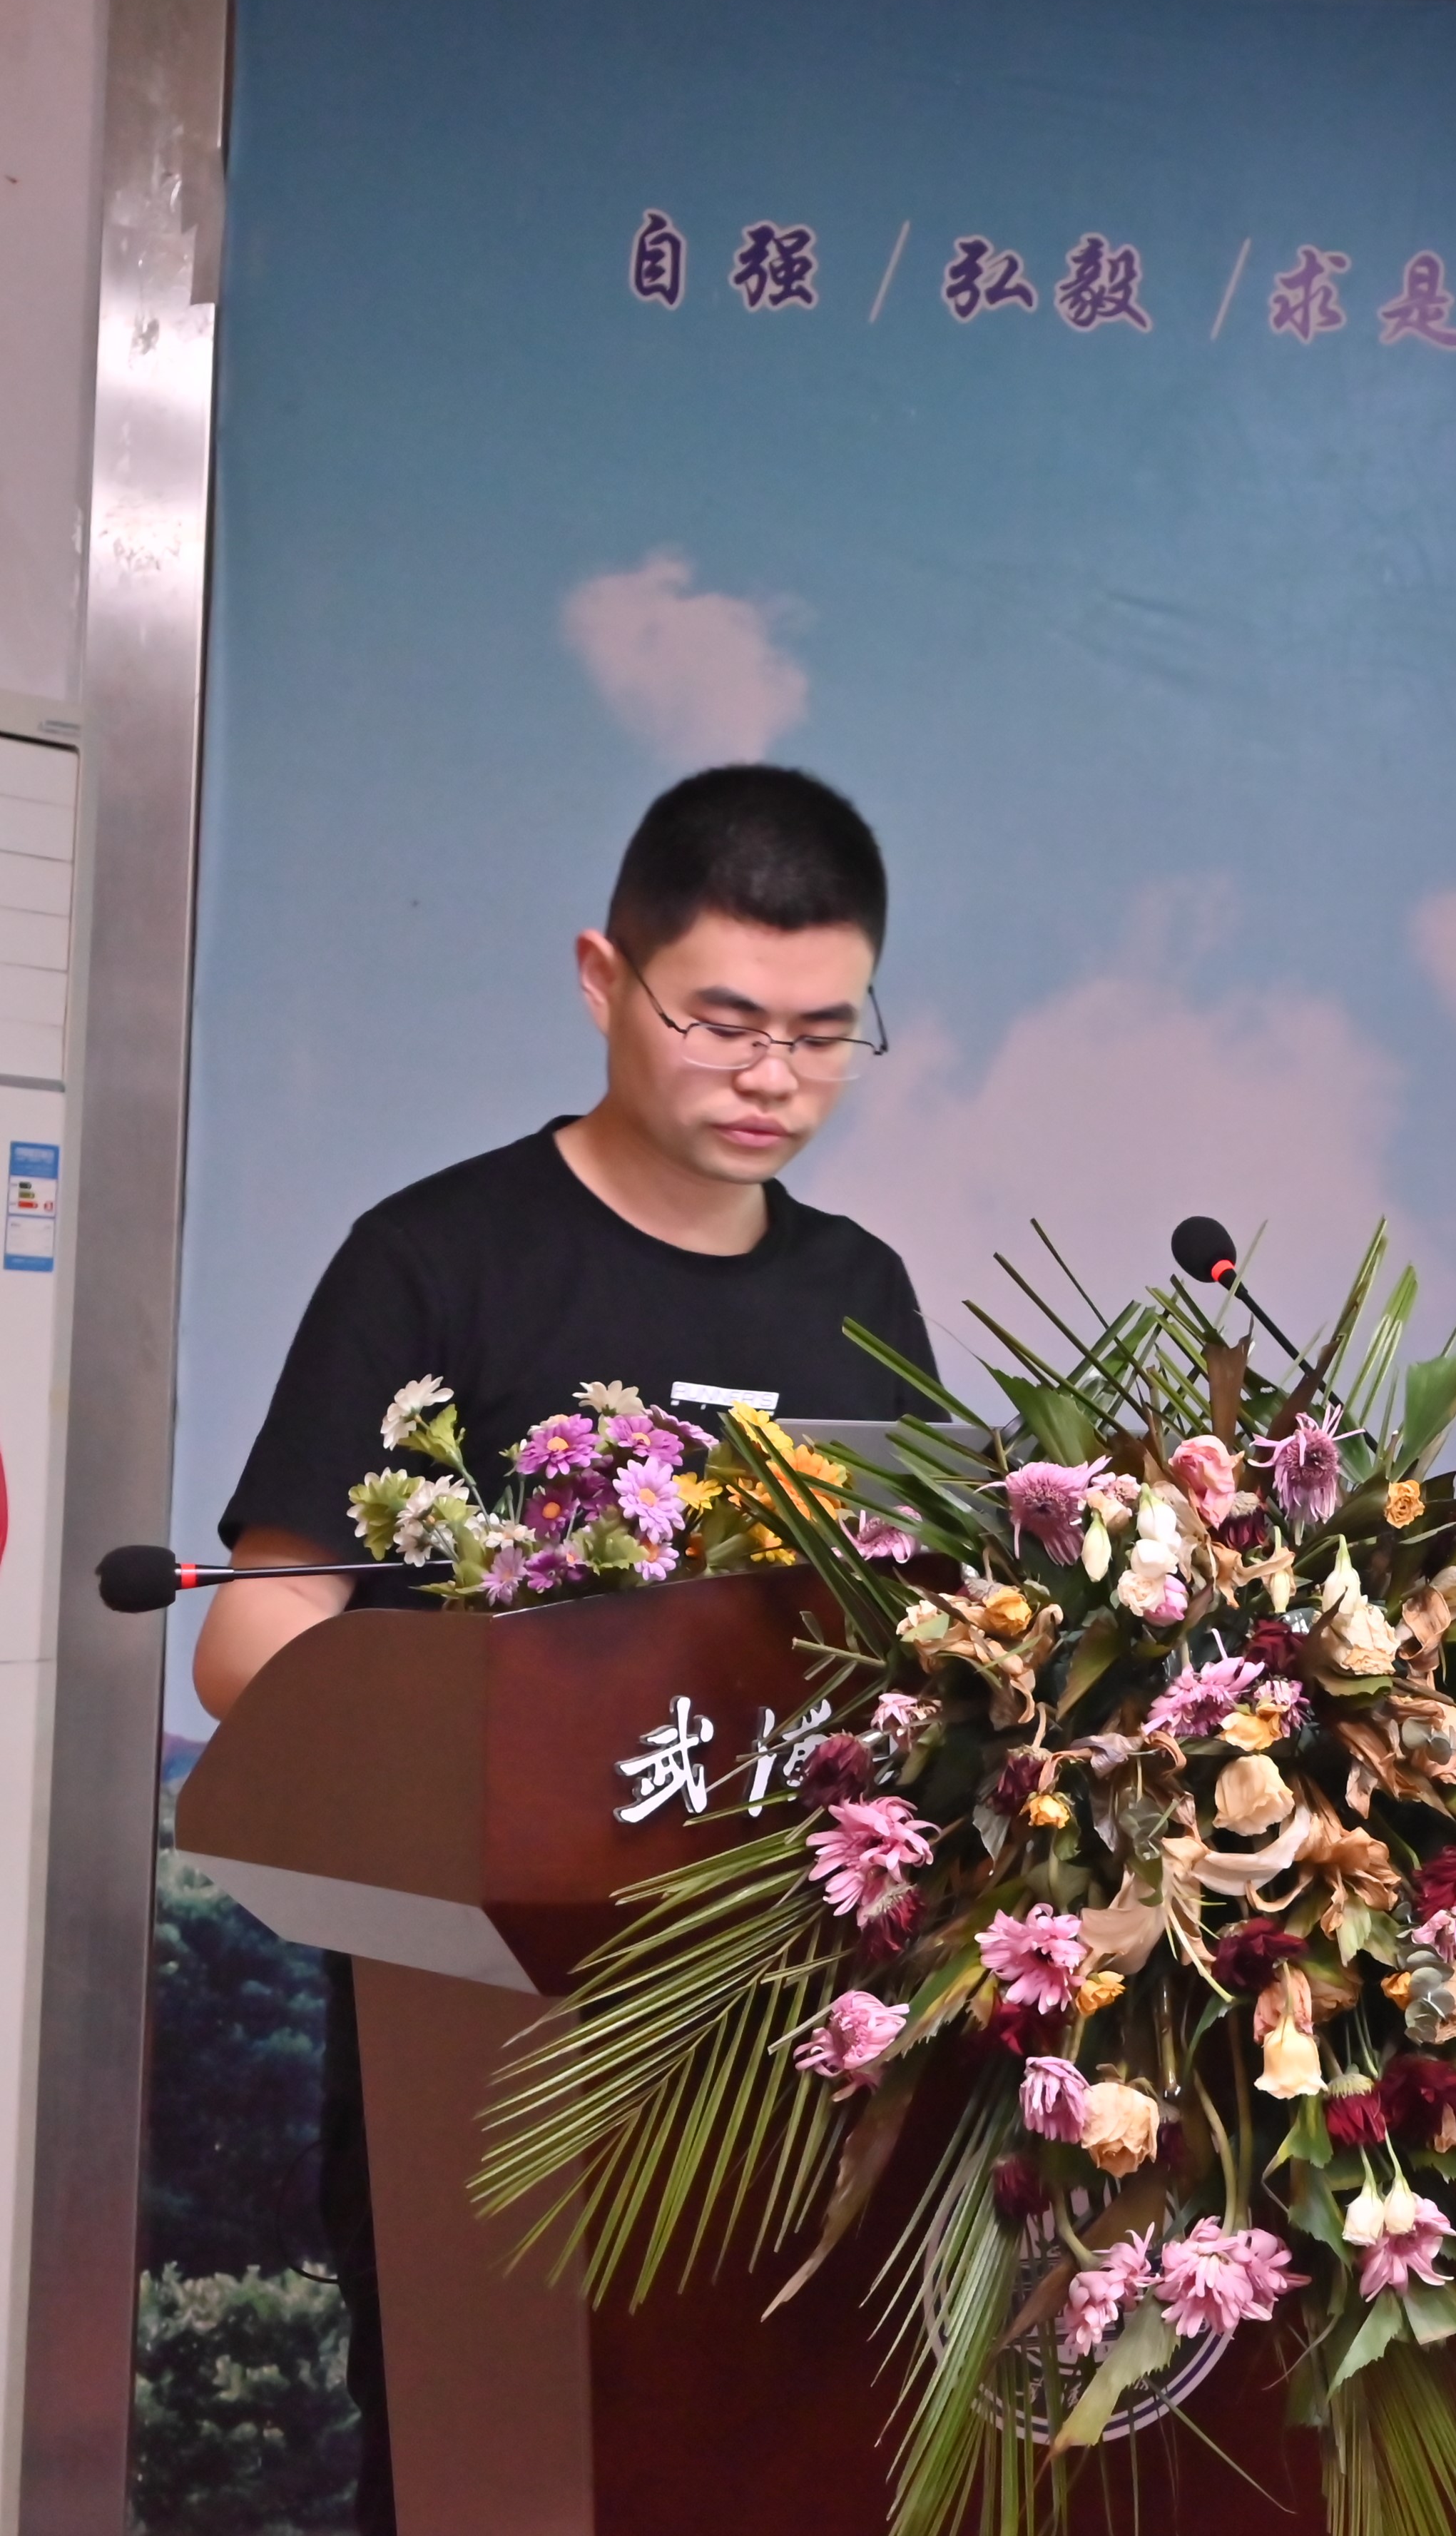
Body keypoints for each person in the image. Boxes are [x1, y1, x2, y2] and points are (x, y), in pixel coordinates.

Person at [204, 764, 935, 2536]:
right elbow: (254, 1635)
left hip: (793, 2060)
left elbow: (918, 1651)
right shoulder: (435, 1262)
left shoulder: (861, 1294)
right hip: (489, 2042)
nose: (773, 1076)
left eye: (823, 1034)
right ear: (605, 979)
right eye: (724, 1021)